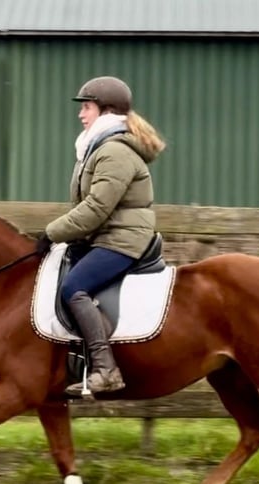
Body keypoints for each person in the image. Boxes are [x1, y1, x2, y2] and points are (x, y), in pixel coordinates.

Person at [36, 76, 166, 395]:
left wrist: (52, 233)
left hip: (122, 241)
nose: (81, 114)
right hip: (105, 237)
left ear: (106, 112)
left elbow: (96, 208)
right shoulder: (99, 148)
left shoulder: (114, 152)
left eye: (87, 107)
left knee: (74, 287)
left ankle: (106, 369)